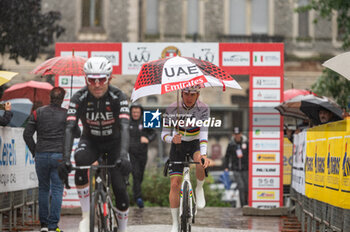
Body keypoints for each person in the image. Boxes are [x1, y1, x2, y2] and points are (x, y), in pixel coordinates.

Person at [57, 57, 132, 232]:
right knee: (80, 159)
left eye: (101, 79)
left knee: (120, 189)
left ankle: (122, 228)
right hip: (91, 141)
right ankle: (86, 215)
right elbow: (69, 128)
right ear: (86, 79)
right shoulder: (79, 97)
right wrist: (65, 159)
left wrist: (123, 155)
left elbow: (125, 127)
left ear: (109, 78)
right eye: (92, 80)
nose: (97, 84)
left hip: (114, 143)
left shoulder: (118, 96)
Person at [161, 85, 210, 232]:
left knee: (200, 162)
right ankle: (175, 223)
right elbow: (163, 135)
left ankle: (199, 188)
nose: (189, 98)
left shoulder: (204, 108)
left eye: (192, 95)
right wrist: (171, 138)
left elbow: (204, 133)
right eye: (186, 94)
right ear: (181, 93)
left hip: (195, 143)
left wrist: (203, 153)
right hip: (178, 145)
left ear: (198, 94)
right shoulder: (171, 108)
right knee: (175, 184)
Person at [23, 87, 67, 232]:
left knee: (43, 189)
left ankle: (43, 225)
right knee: (57, 190)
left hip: (41, 154)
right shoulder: (66, 115)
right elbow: (77, 133)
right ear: (62, 99)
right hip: (59, 156)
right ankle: (53, 226)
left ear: (50, 97)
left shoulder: (37, 113)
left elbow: (27, 135)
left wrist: (35, 150)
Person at [129, 102, 156, 208]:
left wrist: (148, 139)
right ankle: (138, 198)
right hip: (130, 153)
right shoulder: (127, 121)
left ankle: (135, 193)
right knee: (135, 174)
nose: (135, 114)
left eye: (137, 112)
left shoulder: (146, 120)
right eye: (134, 112)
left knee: (140, 175)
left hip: (142, 153)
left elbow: (153, 133)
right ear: (131, 112)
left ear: (141, 112)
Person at [224, 126, 249, 207]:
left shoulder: (246, 143)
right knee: (241, 186)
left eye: (238, 134)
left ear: (241, 134)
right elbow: (227, 156)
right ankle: (243, 205)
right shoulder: (231, 144)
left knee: (246, 187)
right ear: (233, 135)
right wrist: (226, 166)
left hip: (246, 168)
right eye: (235, 134)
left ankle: (247, 203)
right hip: (236, 168)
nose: (237, 136)